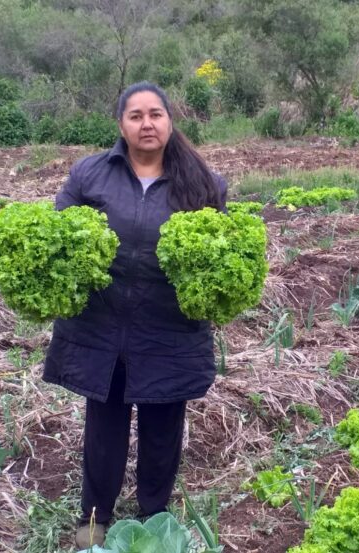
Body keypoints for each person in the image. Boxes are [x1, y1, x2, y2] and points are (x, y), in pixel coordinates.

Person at [43, 81, 228, 549]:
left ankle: (154, 515)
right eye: (136, 115)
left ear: (169, 120)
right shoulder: (90, 175)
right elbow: (59, 238)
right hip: (102, 324)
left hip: (168, 327)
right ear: (121, 125)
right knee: (103, 423)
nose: (147, 124)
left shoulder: (204, 183)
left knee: (163, 425)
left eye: (156, 114)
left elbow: (220, 257)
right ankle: (94, 515)